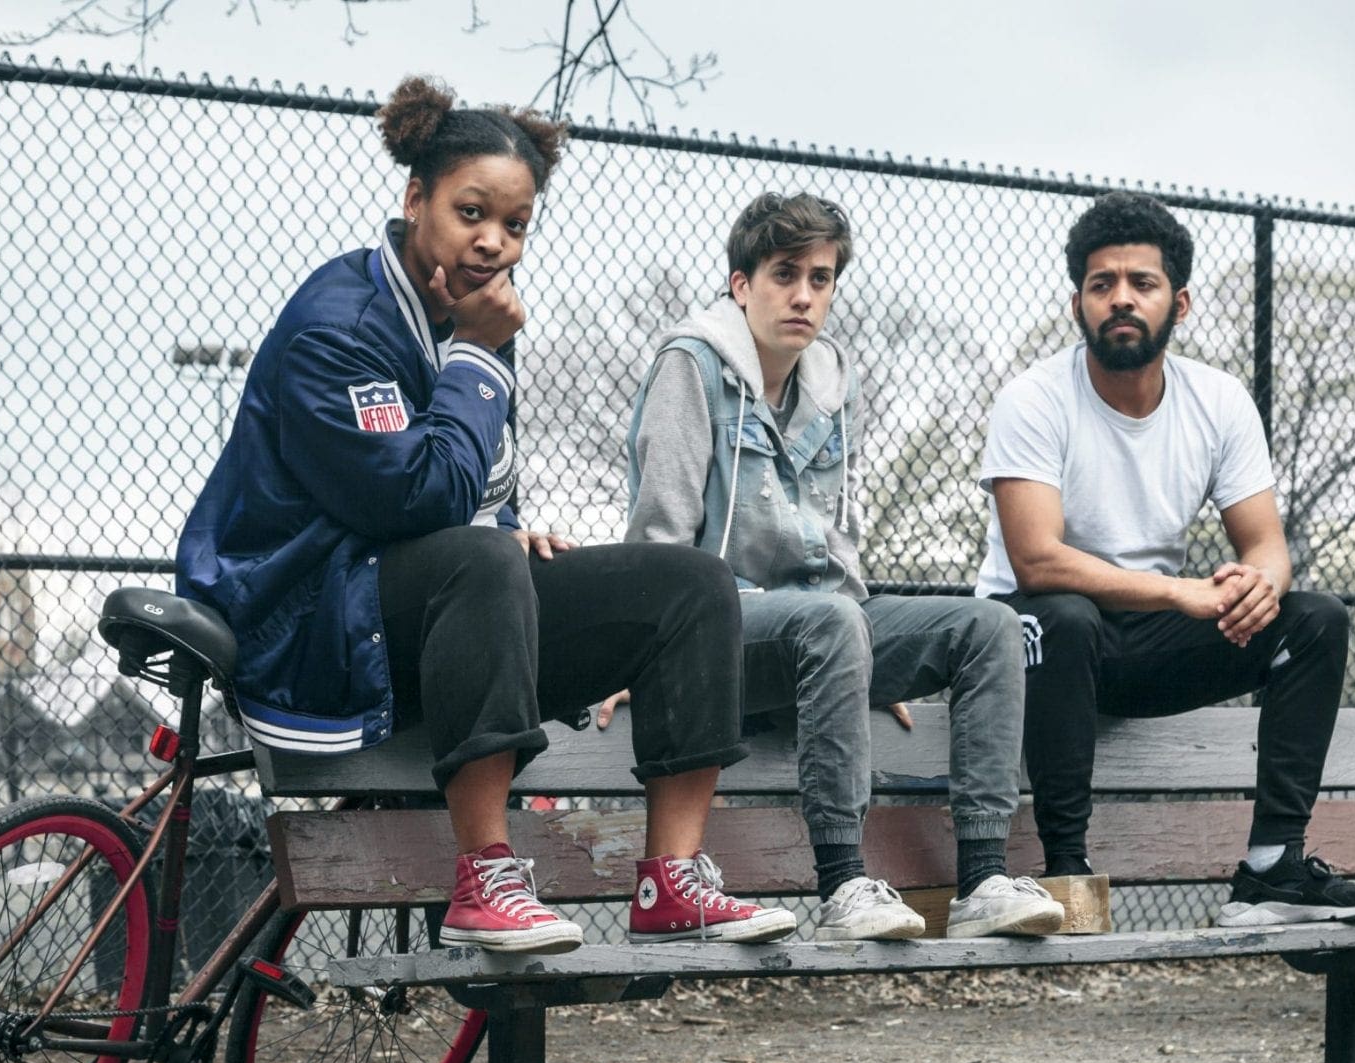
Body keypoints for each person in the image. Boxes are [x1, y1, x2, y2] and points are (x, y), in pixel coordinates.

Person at [175, 76, 794, 953]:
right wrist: (477, 362)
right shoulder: (341, 325)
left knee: (690, 585)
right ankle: (486, 879)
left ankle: (673, 881)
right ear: (415, 198)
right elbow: (410, 499)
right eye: (472, 213)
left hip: (430, 613)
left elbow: (468, 487)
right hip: (304, 623)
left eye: (515, 225)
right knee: (480, 559)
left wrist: (508, 526)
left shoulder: (468, 322)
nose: (494, 243)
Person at [616, 192, 1063, 941]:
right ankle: (844, 884)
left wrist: (860, 659)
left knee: (986, 626)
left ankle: (984, 876)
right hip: (717, 632)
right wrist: (634, 657)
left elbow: (837, 550)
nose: (804, 295)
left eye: (821, 279)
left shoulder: (829, 380)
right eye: (785, 274)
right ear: (740, 284)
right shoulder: (689, 368)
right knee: (831, 623)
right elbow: (657, 540)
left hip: (825, 627)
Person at [977, 191, 1355, 928]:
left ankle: (1272, 870)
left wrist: (1259, 589)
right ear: (1079, 304)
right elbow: (1035, 560)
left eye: (1143, 283)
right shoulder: (1034, 399)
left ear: (1181, 302)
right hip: (1033, 648)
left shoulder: (1219, 402)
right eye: (1102, 285)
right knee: (1065, 617)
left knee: (1315, 619)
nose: (1122, 299)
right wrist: (1180, 595)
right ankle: (1066, 874)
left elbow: (1265, 543)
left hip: (1141, 644)